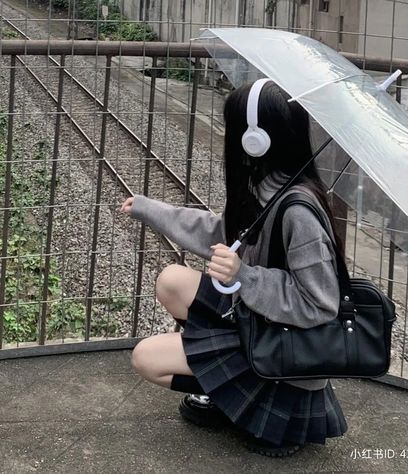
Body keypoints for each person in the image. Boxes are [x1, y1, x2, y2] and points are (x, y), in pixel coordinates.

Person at [120, 79, 348, 457]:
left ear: (255, 139)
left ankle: (252, 406)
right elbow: (218, 231)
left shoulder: (298, 211)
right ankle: (231, 396)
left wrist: (244, 275)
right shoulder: (265, 184)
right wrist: (148, 208)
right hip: (257, 321)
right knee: (171, 281)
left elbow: (321, 304)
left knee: (146, 358)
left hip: (283, 352)